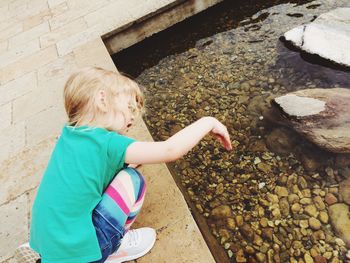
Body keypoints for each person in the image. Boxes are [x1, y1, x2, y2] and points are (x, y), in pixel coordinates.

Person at [15, 67, 232, 263]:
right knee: (132, 180)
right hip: (81, 250)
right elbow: (169, 150)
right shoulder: (108, 143)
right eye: (129, 107)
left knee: (116, 173)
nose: (132, 117)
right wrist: (208, 122)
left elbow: (96, 169)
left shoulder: (70, 135)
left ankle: (47, 258)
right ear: (102, 100)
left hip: (46, 237)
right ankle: (113, 247)